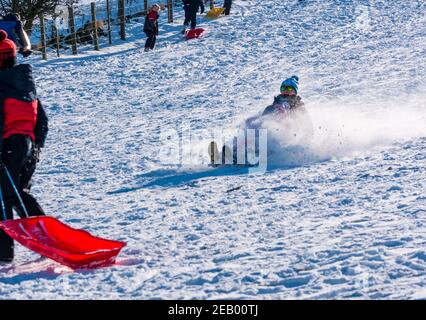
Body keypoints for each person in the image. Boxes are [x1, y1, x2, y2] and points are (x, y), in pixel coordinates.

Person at [0, 30, 48, 263]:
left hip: (8, 147)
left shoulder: (1, 85)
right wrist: (36, 147)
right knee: (17, 194)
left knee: (3, 196)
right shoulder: (25, 84)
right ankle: (45, 238)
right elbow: (43, 121)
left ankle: (4, 252)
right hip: (27, 146)